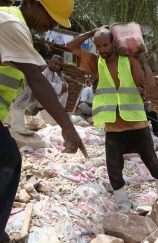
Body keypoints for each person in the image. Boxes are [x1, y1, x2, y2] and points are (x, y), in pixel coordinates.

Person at [0, 1, 87, 242]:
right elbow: (37, 80)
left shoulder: (15, 25)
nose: (53, 24)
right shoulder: (10, 23)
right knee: (6, 159)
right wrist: (68, 128)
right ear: (31, 3)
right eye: (51, 16)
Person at [66, 27, 158, 213]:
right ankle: (123, 208)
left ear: (114, 43)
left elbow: (151, 82)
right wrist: (93, 32)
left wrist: (143, 58)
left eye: (105, 45)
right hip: (113, 125)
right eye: (98, 46)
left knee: (152, 163)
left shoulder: (127, 61)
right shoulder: (96, 63)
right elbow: (70, 45)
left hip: (137, 122)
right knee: (113, 168)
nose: (102, 49)